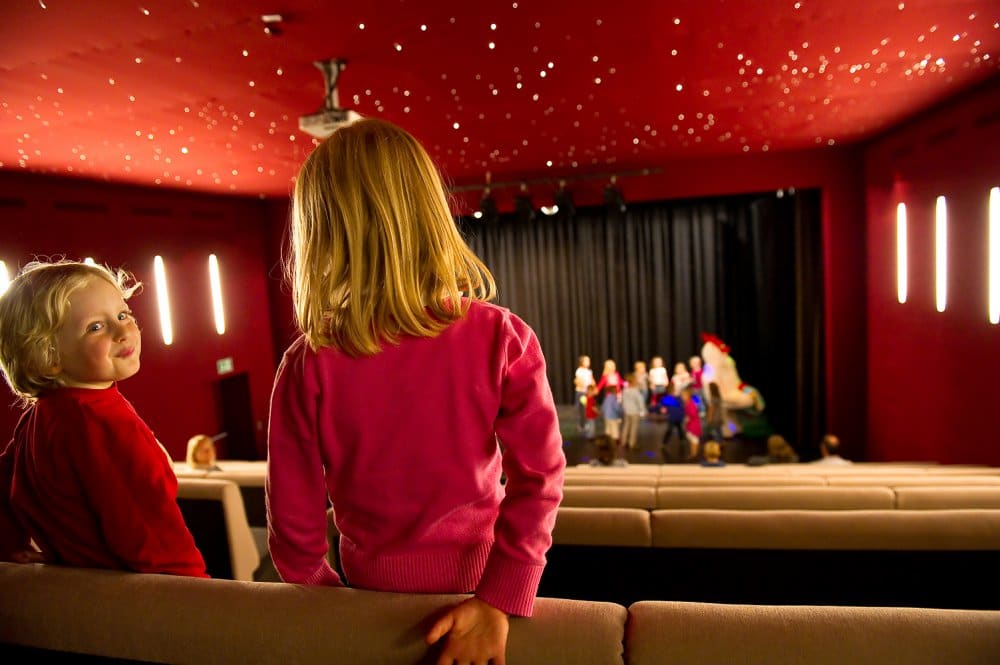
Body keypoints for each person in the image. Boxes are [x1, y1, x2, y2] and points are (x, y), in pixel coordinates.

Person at [266, 118, 565, 665]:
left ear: (321, 232)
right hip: (481, 590)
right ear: (430, 212)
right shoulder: (503, 337)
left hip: (367, 597)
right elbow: (540, 480)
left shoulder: (306, 363)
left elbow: (293, 528)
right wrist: (500, 596)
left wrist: (332, 607)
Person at [0, 260, 207, 577]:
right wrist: (196, 589)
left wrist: (9, 545)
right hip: (137, 594)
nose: (123, 331)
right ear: (48, 355)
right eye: (95, 327)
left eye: (123, 315)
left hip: (83, 590)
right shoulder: (102, 423)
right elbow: (150, 532)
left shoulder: (37, 418)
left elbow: (5, 484)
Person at [594, 359, 624, 448]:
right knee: (612, 406)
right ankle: (611, 438)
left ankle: (617, 417)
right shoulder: (605, 376)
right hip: (610, 394)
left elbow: (621, 381)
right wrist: (597, 390)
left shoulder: (616, 374)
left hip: (617, 394)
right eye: (611, 366)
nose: (613, 367)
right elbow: (601, 384)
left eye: (614, 366)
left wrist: (626, 384)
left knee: (616, 406)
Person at [620, 373, 647, 450]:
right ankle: (631, 443)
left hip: (627, 411)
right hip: (634, 412)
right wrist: (643, 410)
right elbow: (640, 401)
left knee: (626, 426)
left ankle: (623, 442)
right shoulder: (635, 391)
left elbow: (622, 401)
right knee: (633, 428)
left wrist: (624, 408)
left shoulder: (625, 390)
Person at [573, 355, 595, 434]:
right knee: (581, 410)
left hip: (587, 393)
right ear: (582, 362)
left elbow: (592, 380)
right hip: (581, 393)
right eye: (586, 361)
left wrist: (593, 387)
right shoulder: (579, 371)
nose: (588, 362)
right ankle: (580, 425)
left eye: (589, 361)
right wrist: (584, 387)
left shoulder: (589, 371)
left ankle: (586, 424)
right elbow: (578, 381)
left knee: (587, 409)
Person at [681, 386, 701, 460]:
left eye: (683, 396)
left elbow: (693, 414)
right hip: (691, 424)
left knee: (694, 439)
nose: (682, 397)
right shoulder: (688, 404)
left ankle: (694, 454)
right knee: (693, 439)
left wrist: (688, 417)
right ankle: (693, 454)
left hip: (694, 425)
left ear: (688, 396)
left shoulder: (690, 404)